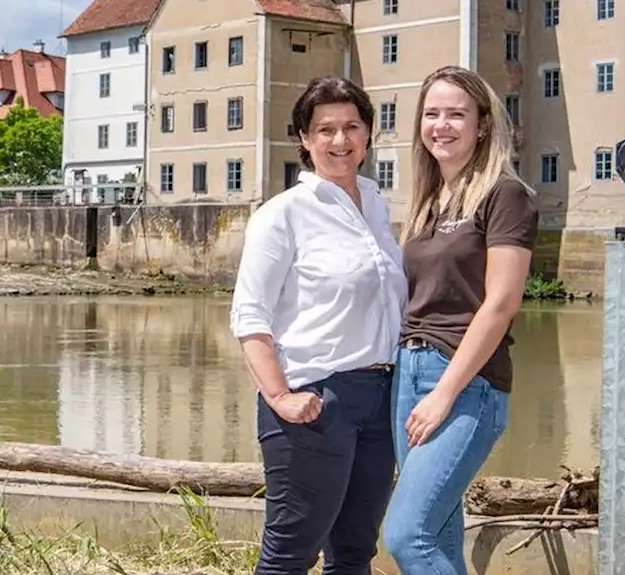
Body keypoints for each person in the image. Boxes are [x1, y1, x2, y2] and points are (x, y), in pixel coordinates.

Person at [229, 75, 408, 575]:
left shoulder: (375, 205)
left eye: (352, 126)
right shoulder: (282, 214)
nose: (340, 140)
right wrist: (281, 396)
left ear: (369, 134)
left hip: (378, 401)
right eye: (324, 129)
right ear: (304, 140)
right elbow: (249, 314)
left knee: (354, 555)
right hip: (315, 403)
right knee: (290, 556)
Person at [382, 66, 538, 575]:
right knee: (440, 537)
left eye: (456, 114)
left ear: (484, 124)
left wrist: (444, 393)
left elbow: (501, 304)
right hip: (409, 374)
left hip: (466, 384)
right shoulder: (429, 202)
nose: (441, 125)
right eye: (431, 114)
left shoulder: (505, 194)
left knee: (407, 535)